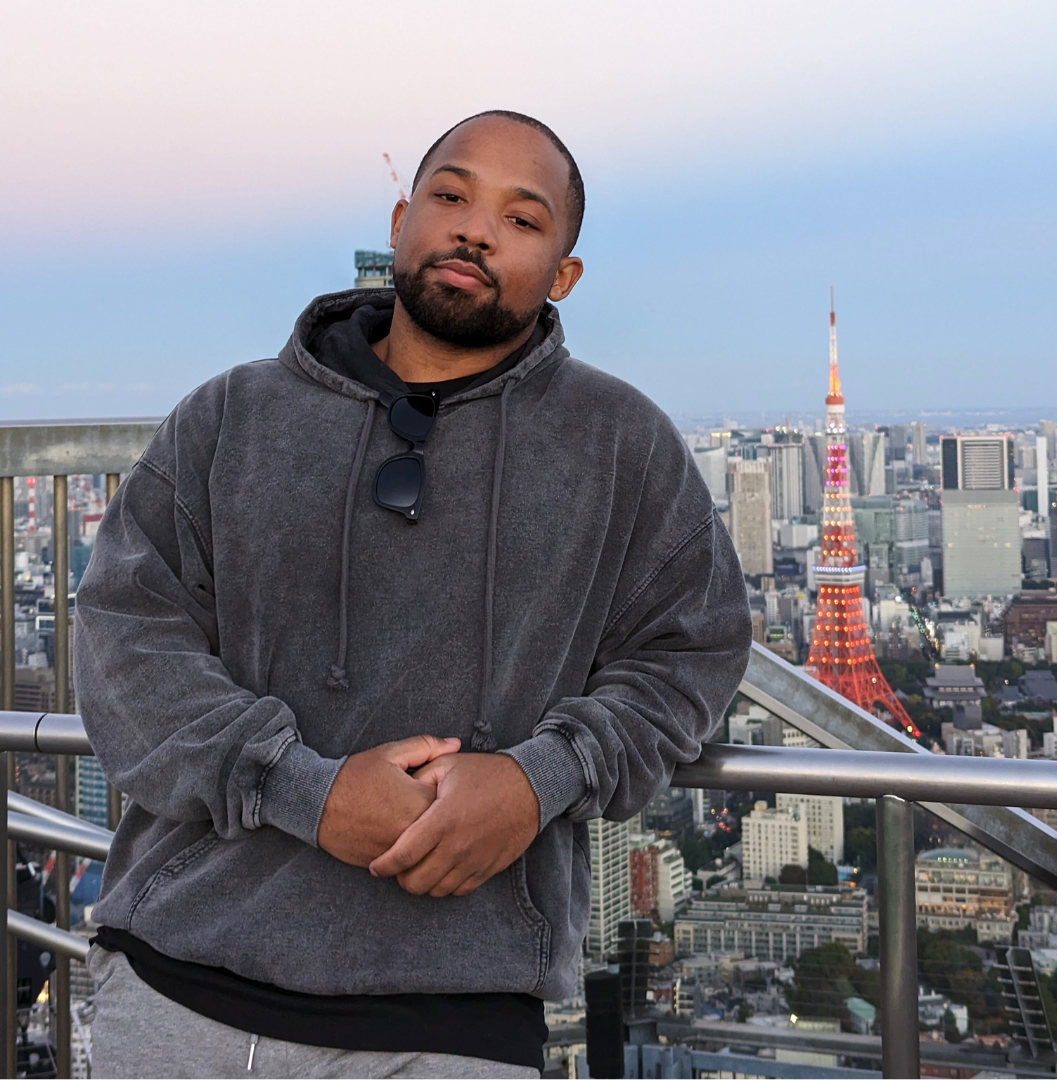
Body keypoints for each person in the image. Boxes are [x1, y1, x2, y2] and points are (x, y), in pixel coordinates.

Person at [74, 110, 752, 1079]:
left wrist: (537, 780)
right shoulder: (232, 417)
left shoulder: (620, 443)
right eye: (449, 196)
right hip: (179, 981)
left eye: (522, 220)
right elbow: (123, 643)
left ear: (564, 276)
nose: (474, 229)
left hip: (454, 1016)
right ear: (400, 223)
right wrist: (298, 788)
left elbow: (694, 654)